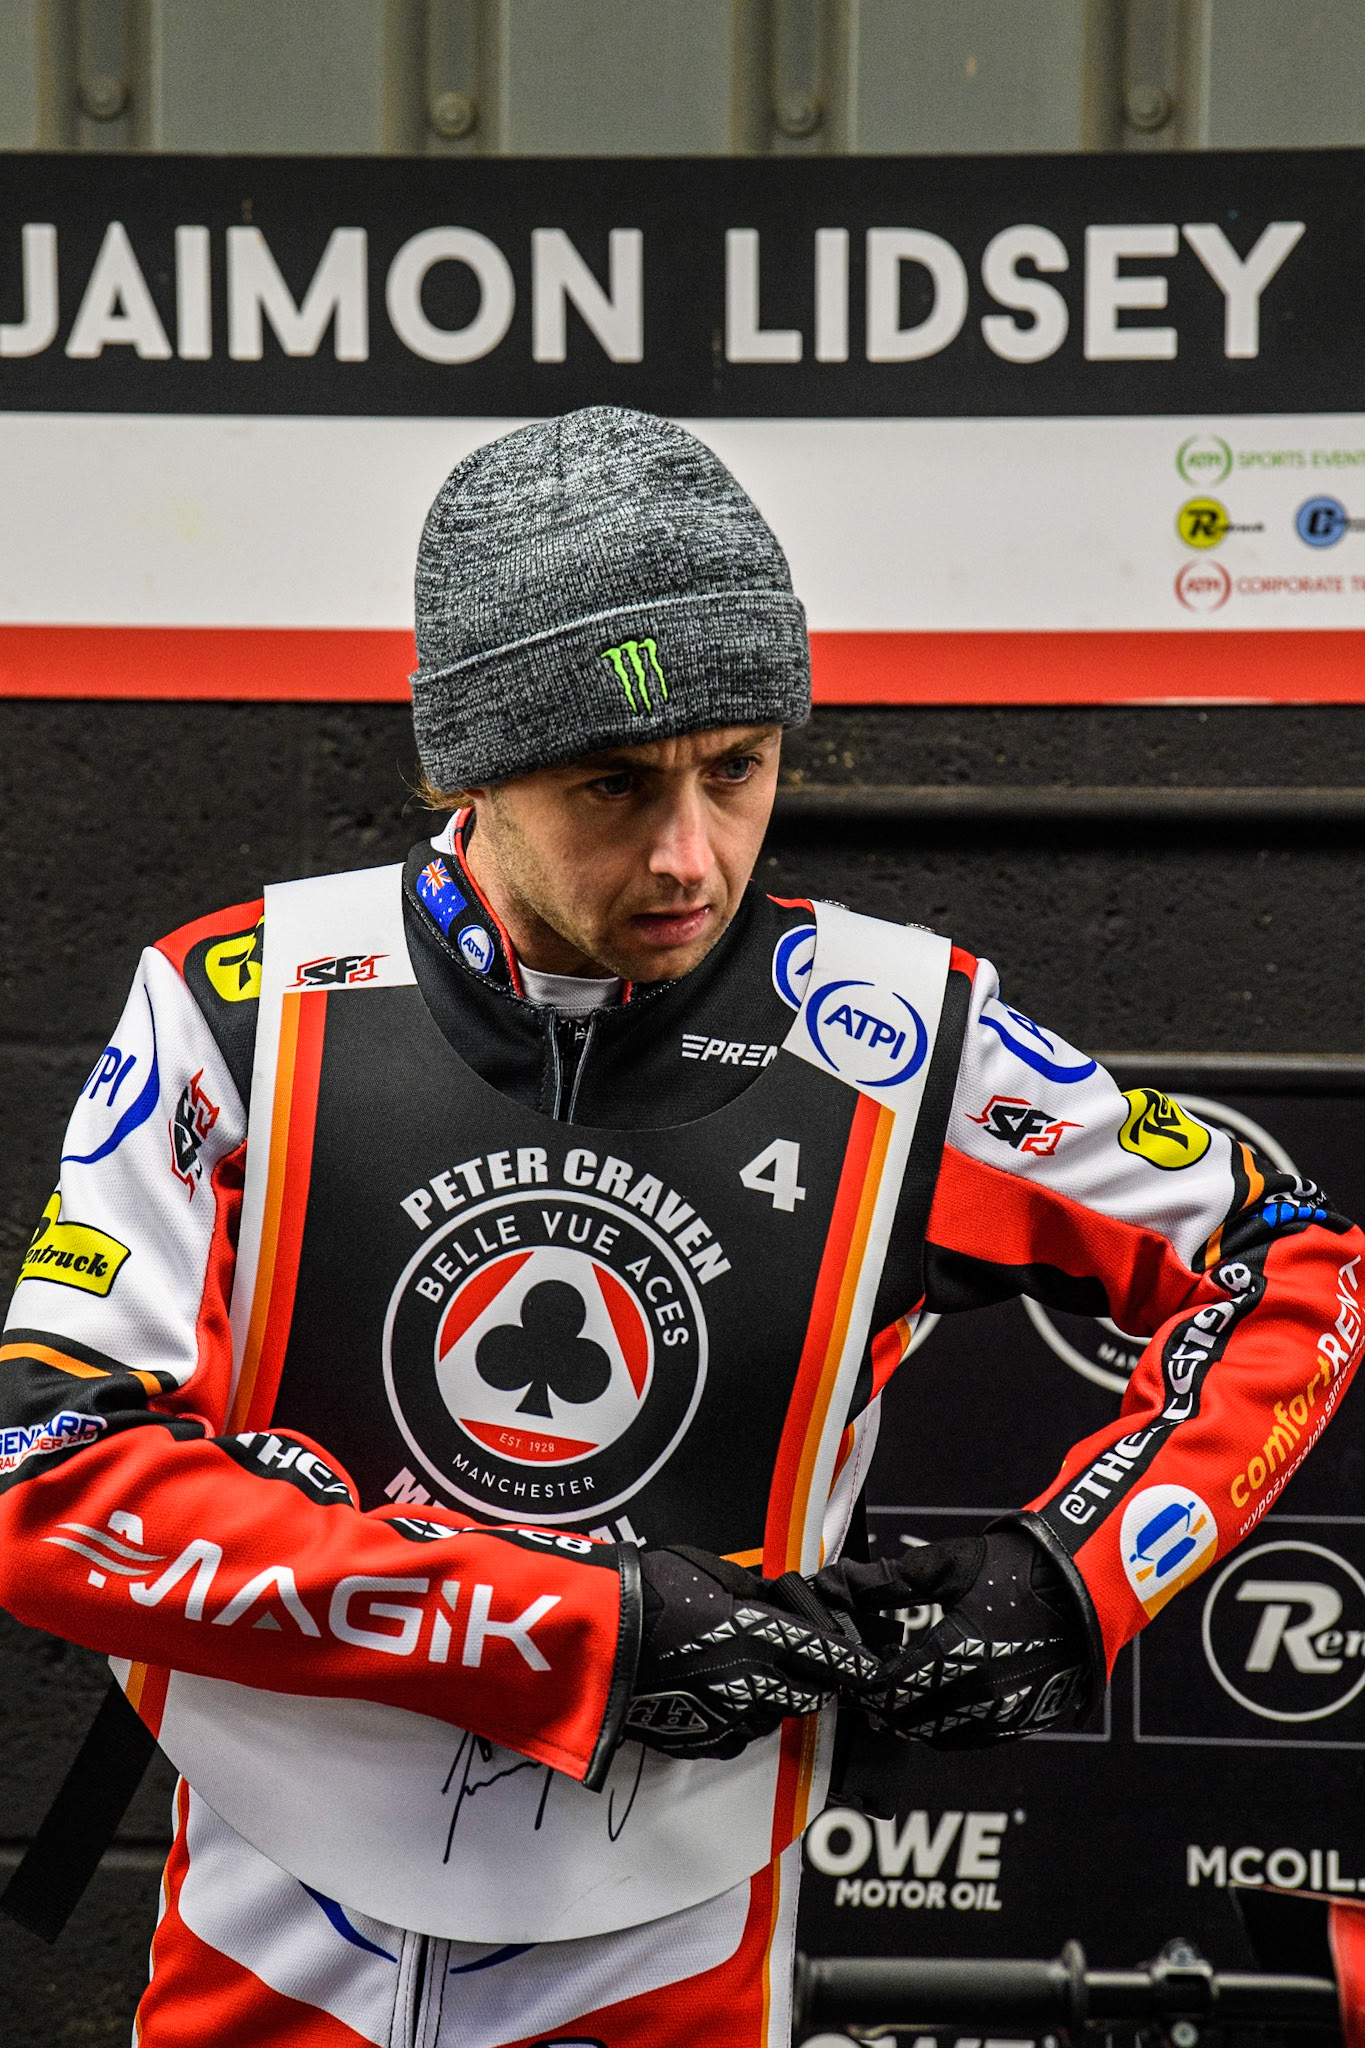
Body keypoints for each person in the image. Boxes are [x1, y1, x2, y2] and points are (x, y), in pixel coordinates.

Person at [0, 406, 1359, 2048]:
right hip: (275, 1912)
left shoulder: (894, 1037)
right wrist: (588, 1632)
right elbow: (43, 1482)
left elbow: (1292, 1259)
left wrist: (1078, 1580)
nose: (689, 854)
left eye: (738, 769)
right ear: (460, 765)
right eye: (610, 786)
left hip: (670, 1935)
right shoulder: (239, 1006)